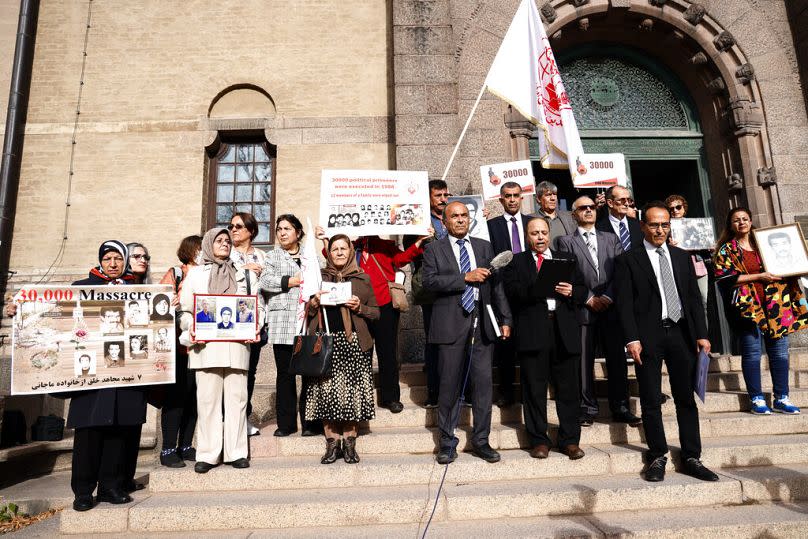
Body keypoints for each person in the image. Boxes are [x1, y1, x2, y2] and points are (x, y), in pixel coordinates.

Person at [11, 240, 146, 511]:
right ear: (100, 261)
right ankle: (83, 491)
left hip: (124, 375)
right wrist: (18, 312)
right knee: (89, 435)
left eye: (118, 259)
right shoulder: (80, 288)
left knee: (119, 433)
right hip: (90, 375)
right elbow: (51, 317)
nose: (113, 264)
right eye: (107, 258)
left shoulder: (140, 291)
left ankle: (111, 486)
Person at [615, 202, 718, 483]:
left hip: (681, 333)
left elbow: (694, 301)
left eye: (664, 225)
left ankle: (691, 456)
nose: (659, 230)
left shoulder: (682, 257)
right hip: (647, 337)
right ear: (642, 226)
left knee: (685, 398)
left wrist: (702, 334)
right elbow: (623, 305)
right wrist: (631, 339)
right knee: (650, 399)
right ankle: (657, 455)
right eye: (653, 224)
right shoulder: (628, 260)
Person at [422, 201, 512, 464]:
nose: (461, 220)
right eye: (455, 216)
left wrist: (505, 318)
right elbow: (429, 282)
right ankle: (447, 442)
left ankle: (481, 440)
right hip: (449, 327)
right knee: (448, 386)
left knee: (483, 386)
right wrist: (465, 278)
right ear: (445, 221)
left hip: (482, 325)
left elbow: (497, 287)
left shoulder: (483, 247)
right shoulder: (434, 249)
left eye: (464, 216)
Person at [318, 227, 428, 414]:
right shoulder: (353, 247)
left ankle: (390, 398)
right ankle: (363, 396)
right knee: (363, 352)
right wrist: (324, 240)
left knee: (387, 353)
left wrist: (419, 241)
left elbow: (401, 260)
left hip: (384, 304)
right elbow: (334, 256)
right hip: (359, 306)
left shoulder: (386, 245)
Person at [179, 227, 263, 473]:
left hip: (237, 346)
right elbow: (185, 310)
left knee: (237, 400)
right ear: (208, 244)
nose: (225, 244)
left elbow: (255, 307)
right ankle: (207, 454)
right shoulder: (195, 275)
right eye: (219, 240)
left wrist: (254, 327)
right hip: (205, 347)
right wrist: (192, 327)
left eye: (228, 240)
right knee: (207, 401)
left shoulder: (243, 274)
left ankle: (236, 452)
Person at [504, 217, 585, 459]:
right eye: (534, 233)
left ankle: (570, 440)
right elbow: (513, 293)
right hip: (534, 332)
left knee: (569, 389)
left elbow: (583, 289)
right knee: (534, 389)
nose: (539, 237)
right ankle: (539, 440)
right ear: (526, 237)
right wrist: (539, 286)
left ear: (549, 234)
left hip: (564, 331)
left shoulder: (566, 258)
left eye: (543, 232)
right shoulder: (516, 262)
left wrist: (572, 291)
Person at [713, 207, 807, 415]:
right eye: (736, 220)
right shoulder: (726, 250)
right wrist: (759, 277)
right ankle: (756, 399)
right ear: (731, 225)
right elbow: (724, 279)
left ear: (751, 220)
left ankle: (782, 397)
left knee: (780, 352)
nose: (742, 223)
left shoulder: (766, 242)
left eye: (745, 219)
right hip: (748, 308)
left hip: (776, 305)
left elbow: (788, 263)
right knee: (752, 352)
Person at [556, 196, 639, 427]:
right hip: (584, 309)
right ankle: (588, 407)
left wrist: (609, 296)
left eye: (592, 207)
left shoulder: (611, 239)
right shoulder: (565, 242)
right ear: (574, 214)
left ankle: (621, 406)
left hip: (611, 309)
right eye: (583, 208)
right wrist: (590, 298)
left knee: (616, 359)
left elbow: (621, 272)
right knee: (584, 361)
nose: (589, 210)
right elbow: (568, 276)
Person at [305, 235, 379, 464]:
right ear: (328, 252)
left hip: (353, 343)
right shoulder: (318, 278)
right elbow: (306, 313)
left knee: (351, 395)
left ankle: (349, 444)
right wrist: (314, 303)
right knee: (326, 393)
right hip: (325, 343)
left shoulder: (362, 278)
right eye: (334, 248)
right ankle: (331, 445)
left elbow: (377, 313)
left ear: (350, 251)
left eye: (343, 248)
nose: (338, 252)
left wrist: (361, 307)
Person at [260, 214, 321, 437]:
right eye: (279, 229)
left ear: (298, 232)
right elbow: (264, 282)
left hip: (307, 321)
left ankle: (310, 423)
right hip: (282, 322)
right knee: (285, 375)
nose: (282, 233)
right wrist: (290, 281)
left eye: (287, 228)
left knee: (309, 373)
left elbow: (322, 277)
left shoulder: (309, 254)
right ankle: (285, 424)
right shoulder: (273, 256)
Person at [157, 234, 202, 468]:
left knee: (193, 399)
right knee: (175, 400)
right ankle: (167, 449)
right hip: (177, 348)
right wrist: (169, 302)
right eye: (200, 249)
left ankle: (186, 445)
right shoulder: (176, 273)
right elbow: (157, 303)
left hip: (200, 348)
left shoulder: (208, 274)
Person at [486, 181, 531, 407]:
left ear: (522, 198)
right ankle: (506, 391)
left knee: (530, 340)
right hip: (502, 290)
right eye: (507, 196)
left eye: (516, 195)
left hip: (529, 289)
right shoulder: (491, 225)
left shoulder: (532, 223)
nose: (512, 199)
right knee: (506, 343)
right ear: (501, 199)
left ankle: (530, 390)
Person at [406, 179, 449, 408]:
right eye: (438, 195)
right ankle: (434, 393)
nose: (443, 199)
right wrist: (419, 236)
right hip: (431, 289)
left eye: (446, 195)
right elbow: (408, 250)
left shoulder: (454, 217)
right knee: (434, 340)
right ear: (428, 198)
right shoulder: (418, 221)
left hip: (455, 288)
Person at [229, 212, 267, 437]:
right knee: (235, 372)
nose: (233, 229)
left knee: (250, 372)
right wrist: (244, 270)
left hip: (257, 322)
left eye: (239, 226)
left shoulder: (263, 256)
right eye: (231, 226)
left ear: (251, 231)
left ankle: (244, 417)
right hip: (231, 322)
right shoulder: (226, 253)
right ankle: (231, 419)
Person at [665, 194, 710, 321]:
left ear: (684, 208)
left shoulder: (697, 225)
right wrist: (668, 246)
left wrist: (709, 245)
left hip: (698, 267)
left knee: (703, 302)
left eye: (678, 207)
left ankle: (703, 335)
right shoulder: (664, 227)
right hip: (677, 267)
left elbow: (707, 245)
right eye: (671, 209)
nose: (675, 210)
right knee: (681, 304)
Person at [596, 185, 643, 251]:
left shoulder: (639, 225)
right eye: (622, 200)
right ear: (610, 203)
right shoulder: (599, 229)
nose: (627, 204)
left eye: (628, 200)